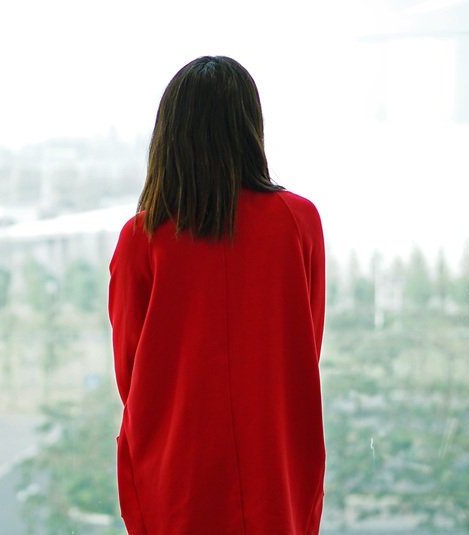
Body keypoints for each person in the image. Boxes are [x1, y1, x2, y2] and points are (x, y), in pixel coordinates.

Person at [108, 56, 326, 534]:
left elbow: (131, 371)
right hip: (275, 457)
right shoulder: (298, 221)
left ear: (169, 134)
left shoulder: (141, 238)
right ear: (250, 126)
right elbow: (307, 340)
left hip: (176, 465)